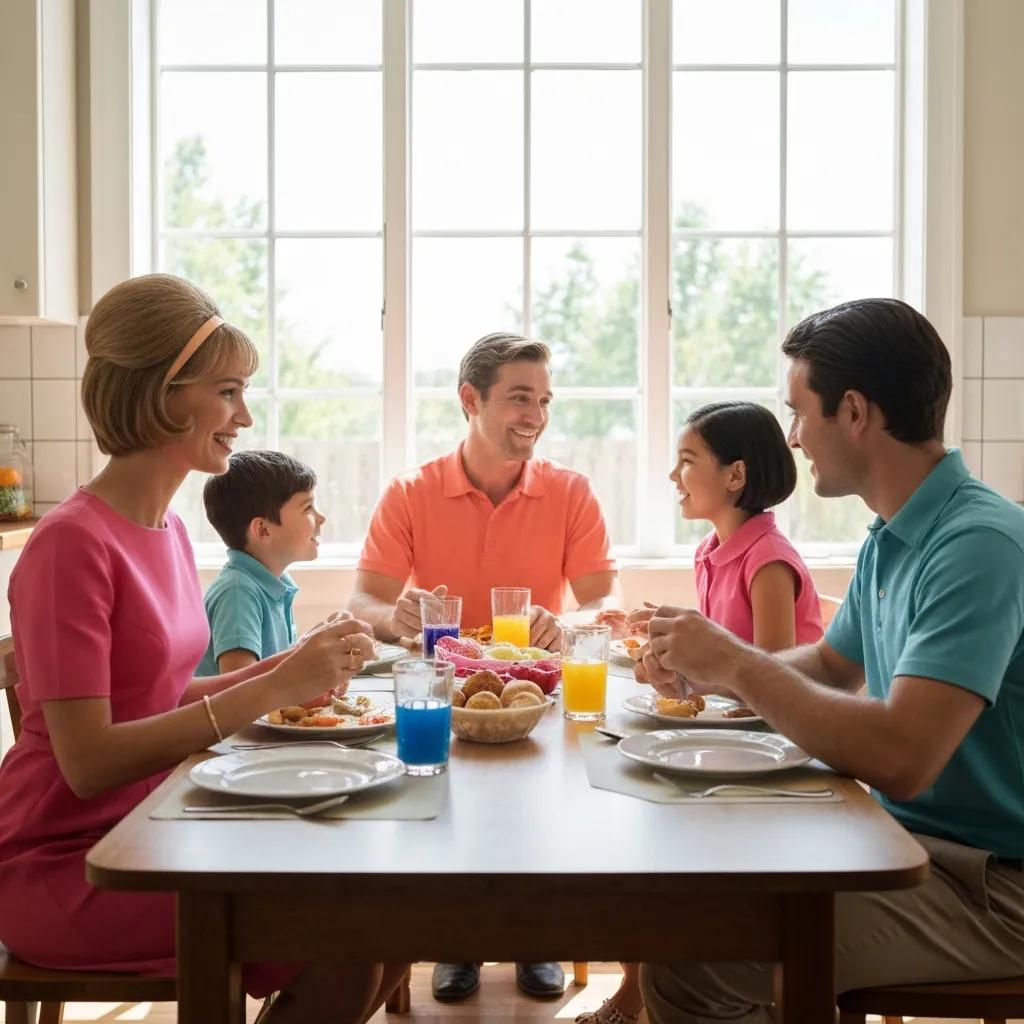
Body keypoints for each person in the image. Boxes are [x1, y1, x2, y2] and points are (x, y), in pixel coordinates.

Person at [0, 274, 406, 1024]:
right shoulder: (69, 546)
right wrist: (265, 691)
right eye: (228, 392)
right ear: (163, 396)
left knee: (385, 908)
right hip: (74, 863)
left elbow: (153, 699)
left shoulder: (169, 531)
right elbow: (87, 762)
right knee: (350, 931)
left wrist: (295, 664)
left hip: (161, 820)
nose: (244, 416)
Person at [636, 298, 1024, 1024]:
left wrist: (740, 666)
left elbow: (904, 755)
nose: (793, 436)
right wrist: (706, 669)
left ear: (852, 412)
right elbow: (829, 665)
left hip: (995, 886)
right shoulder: (895, 534)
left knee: (696, 954)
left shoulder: (980, 544)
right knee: (688, 883)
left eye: (799, 411)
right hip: (909, 842)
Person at [349, 331, 619, 1002]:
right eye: (519, 397)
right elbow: (364, 600)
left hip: (536, 690)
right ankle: (455, 939)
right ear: (471, 399)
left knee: (544, 804)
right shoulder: (412, 491)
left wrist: (572, 624)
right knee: (444, 805)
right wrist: (395, 617)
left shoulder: (571, 492)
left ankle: (539, 938)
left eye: (544, 399)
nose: (535, 415)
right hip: (442, 690)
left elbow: (603, 602)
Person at [579, 401, 823, 1024]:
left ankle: (642, 993)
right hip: (733, 742)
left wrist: (688, 676)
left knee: (652, 836)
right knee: (637, 821)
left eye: (687, 461)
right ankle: (637, 990)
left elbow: (769, 675)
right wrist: (669, 656)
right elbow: (722, 661)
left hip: (778, 758)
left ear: (735, 476)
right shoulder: (714, 549)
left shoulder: (767, 559)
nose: (673, 475)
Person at [197, 450, 325, 675]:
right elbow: (239, 691)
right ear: (263, 530)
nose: (321, 517)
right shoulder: (238, 592)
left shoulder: (276, 581)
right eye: (308, 508)